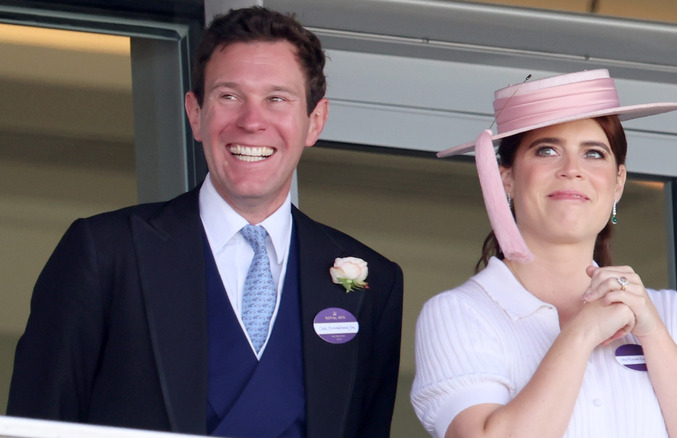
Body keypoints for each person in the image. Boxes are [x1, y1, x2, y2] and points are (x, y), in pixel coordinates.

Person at [7, 6, 403, 438]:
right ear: (196, 114)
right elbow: (35, 428)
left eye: (277, 99)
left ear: (315, 120)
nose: (252, 122)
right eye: (229, 96)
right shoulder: (105, 254)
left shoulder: (373, 283)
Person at [411, 69, 677, 437]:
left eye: (593, 153)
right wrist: (581, 333)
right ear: (506, 177)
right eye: (547, 150)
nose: (572, 170)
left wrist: (652, 333)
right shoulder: (460, 314)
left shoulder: (674, 314)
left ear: (618, 182)